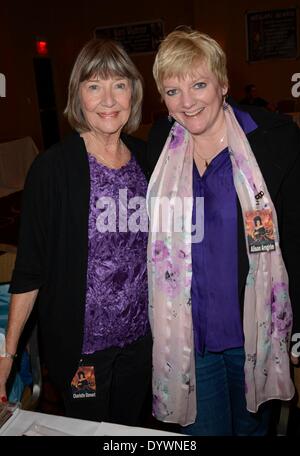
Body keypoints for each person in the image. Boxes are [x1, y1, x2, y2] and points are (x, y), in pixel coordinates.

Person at [146, 27, 300, 436]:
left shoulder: (272, 142)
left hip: (253, 335)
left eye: (199, 84)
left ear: (223, 84)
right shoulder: (161, 146)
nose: (188, 101)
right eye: (173, 90)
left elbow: (297, 237)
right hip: (189, 342)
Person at [0, 38, 152, 426]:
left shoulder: (149, 160)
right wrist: (8, 353)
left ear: (133, 93)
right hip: (83, 349)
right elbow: (29, 269)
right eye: (94, 86)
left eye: (119, 84)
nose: (108, 99)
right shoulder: (53, 169)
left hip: (142, 343)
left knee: (131, 428)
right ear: (77, 96)